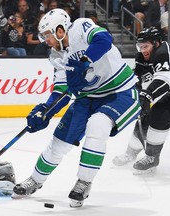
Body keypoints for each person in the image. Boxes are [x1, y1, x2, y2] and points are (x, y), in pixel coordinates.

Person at [12, 9, 141, 208]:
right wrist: (46, 110)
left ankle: (84, 182)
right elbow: (63, 89)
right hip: (87, 98)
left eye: (47, 35)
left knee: (97, 126)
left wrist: (84, 60)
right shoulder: (56, 55)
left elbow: (104, 40)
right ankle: (35, 180)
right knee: (59, 142)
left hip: (118, 92)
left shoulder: (80, 27)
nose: (46, 40)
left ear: (60, 30)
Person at [112, 27, 170, 175]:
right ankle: (131, 153)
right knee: (146, 117)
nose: (142, 50)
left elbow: (163, 80)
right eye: (140, 46)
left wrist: (147, 96)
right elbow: (137, 80)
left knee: (161, 114)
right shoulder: (142, 56)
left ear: (157, 43)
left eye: (146, 46)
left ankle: (152, 157)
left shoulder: (165, 53)